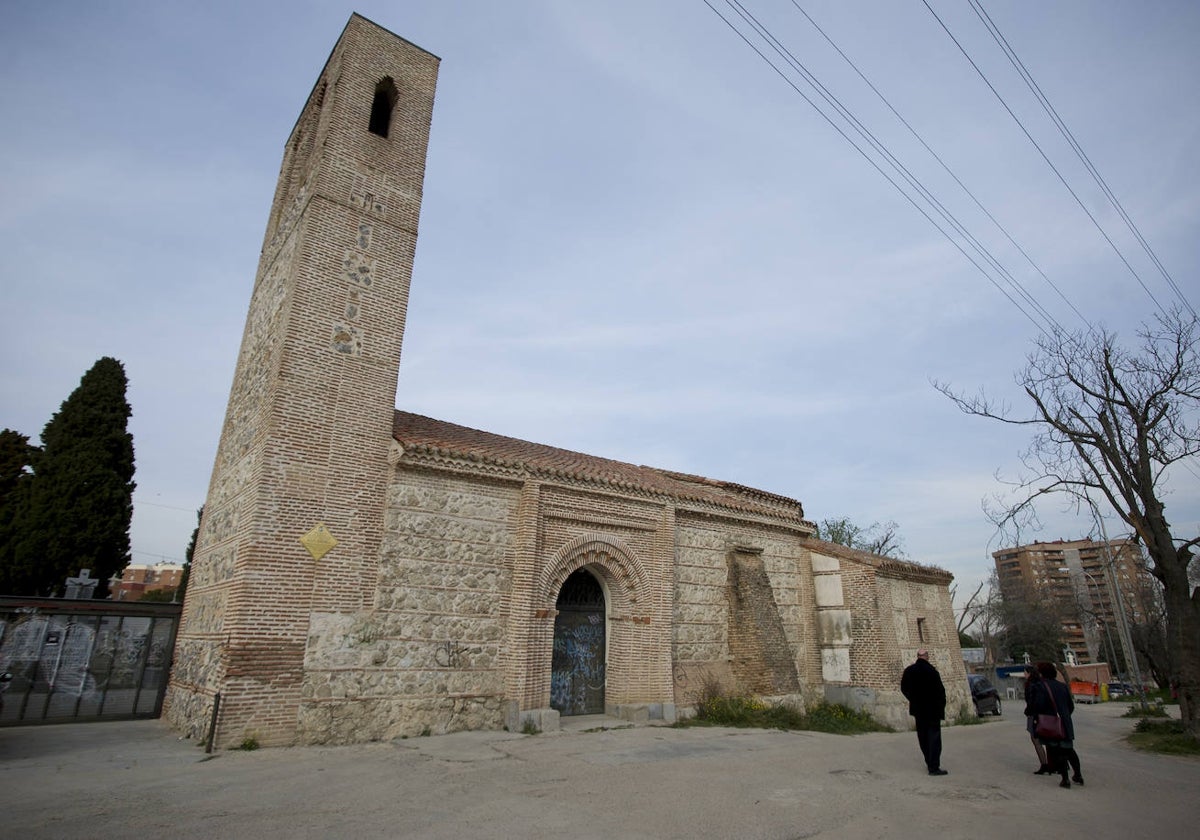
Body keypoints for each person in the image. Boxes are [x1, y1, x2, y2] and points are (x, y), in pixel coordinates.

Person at [1030, 661, 1084, 788]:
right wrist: (1064, 716)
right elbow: (1070, 706)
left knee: (1056, 751)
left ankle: (1065, 779)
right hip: (1065, 722)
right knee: (1069, 750)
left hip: (1052, 724)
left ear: (1042, 673)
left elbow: (1038, 705)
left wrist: (1038, 718)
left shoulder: (1040, 686)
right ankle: (1078, 774)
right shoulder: (1063, 686)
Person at [900, 648, 947, 775]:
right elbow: (940, 691)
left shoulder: (909, 671)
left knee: (923, 737)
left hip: (918, 710)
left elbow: (904, 688)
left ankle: (928, 761)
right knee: (934, 738)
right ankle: (934, 766)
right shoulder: (932, 671)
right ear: (927, 656)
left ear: (917, 656)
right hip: (933, 711)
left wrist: (913, 699)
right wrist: (941, 705)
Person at [1023, 666, 1052, 774]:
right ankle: (1053, 764)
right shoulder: (1042, 683)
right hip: (1045, 714)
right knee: (1048, 740)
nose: (1024, 675)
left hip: (1034, 715)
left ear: (1029, 673)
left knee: (1035, 739)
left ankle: (1044, 764)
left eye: (1025, 672)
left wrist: (1028, 711)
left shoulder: (1030, 685)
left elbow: (1032, 701)